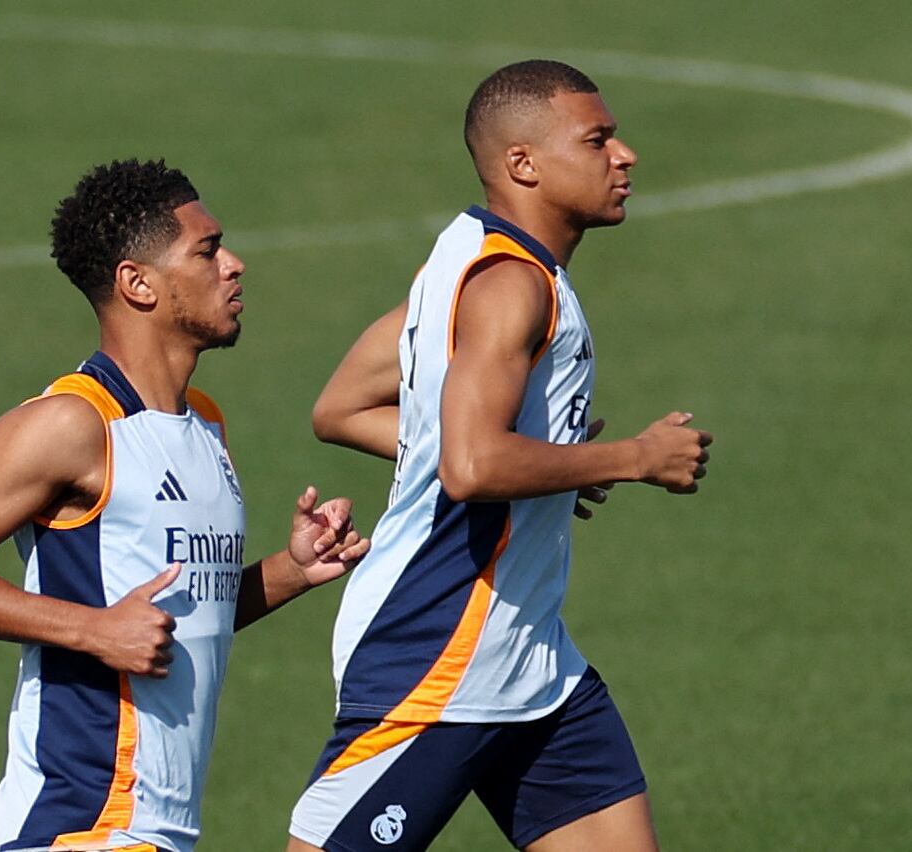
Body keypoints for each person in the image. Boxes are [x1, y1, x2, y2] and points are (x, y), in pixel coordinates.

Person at [0, 158, 370, 852]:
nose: (234, 264)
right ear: (136, 284)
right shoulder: (72, 426)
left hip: (157, 831)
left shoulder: (204, 424)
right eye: (206, 250)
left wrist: (290, 569)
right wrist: (88, 629)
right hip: (81, 828)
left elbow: (181, 622)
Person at [286, 60, 712, 852]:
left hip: (532, 663)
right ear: (523, 163)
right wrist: (628, 457)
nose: (625, 156)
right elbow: (471, 467)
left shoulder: (456, 262)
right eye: (598, 140)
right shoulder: (510, 286)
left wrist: (544, 467)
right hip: (437, 655)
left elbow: (343, 407)